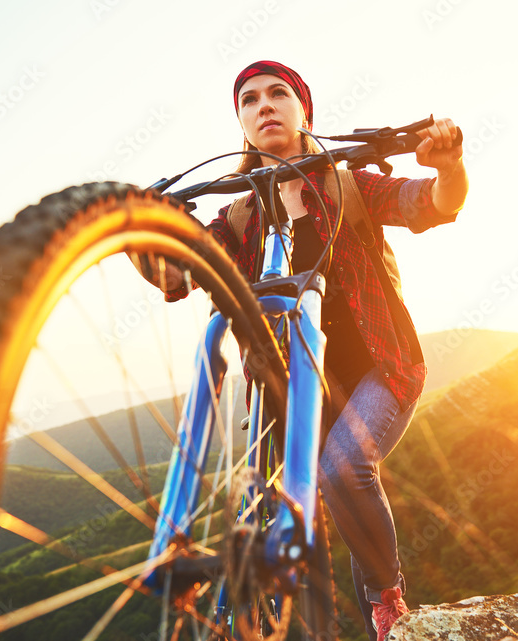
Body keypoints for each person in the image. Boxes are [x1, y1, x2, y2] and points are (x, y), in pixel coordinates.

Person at [154, 60, 467, 641]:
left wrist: (449, 167)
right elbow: (177, 276)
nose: (264, 105)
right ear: (242, 123)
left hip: (380, 366)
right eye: (249, 100)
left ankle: (389, 602)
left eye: (279, 94)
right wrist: (148, 238)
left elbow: (432, 204)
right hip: (288, 395)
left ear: (304, 109)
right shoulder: (237, 216)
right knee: (276, 517)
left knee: (343, 468)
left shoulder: (349, 183)